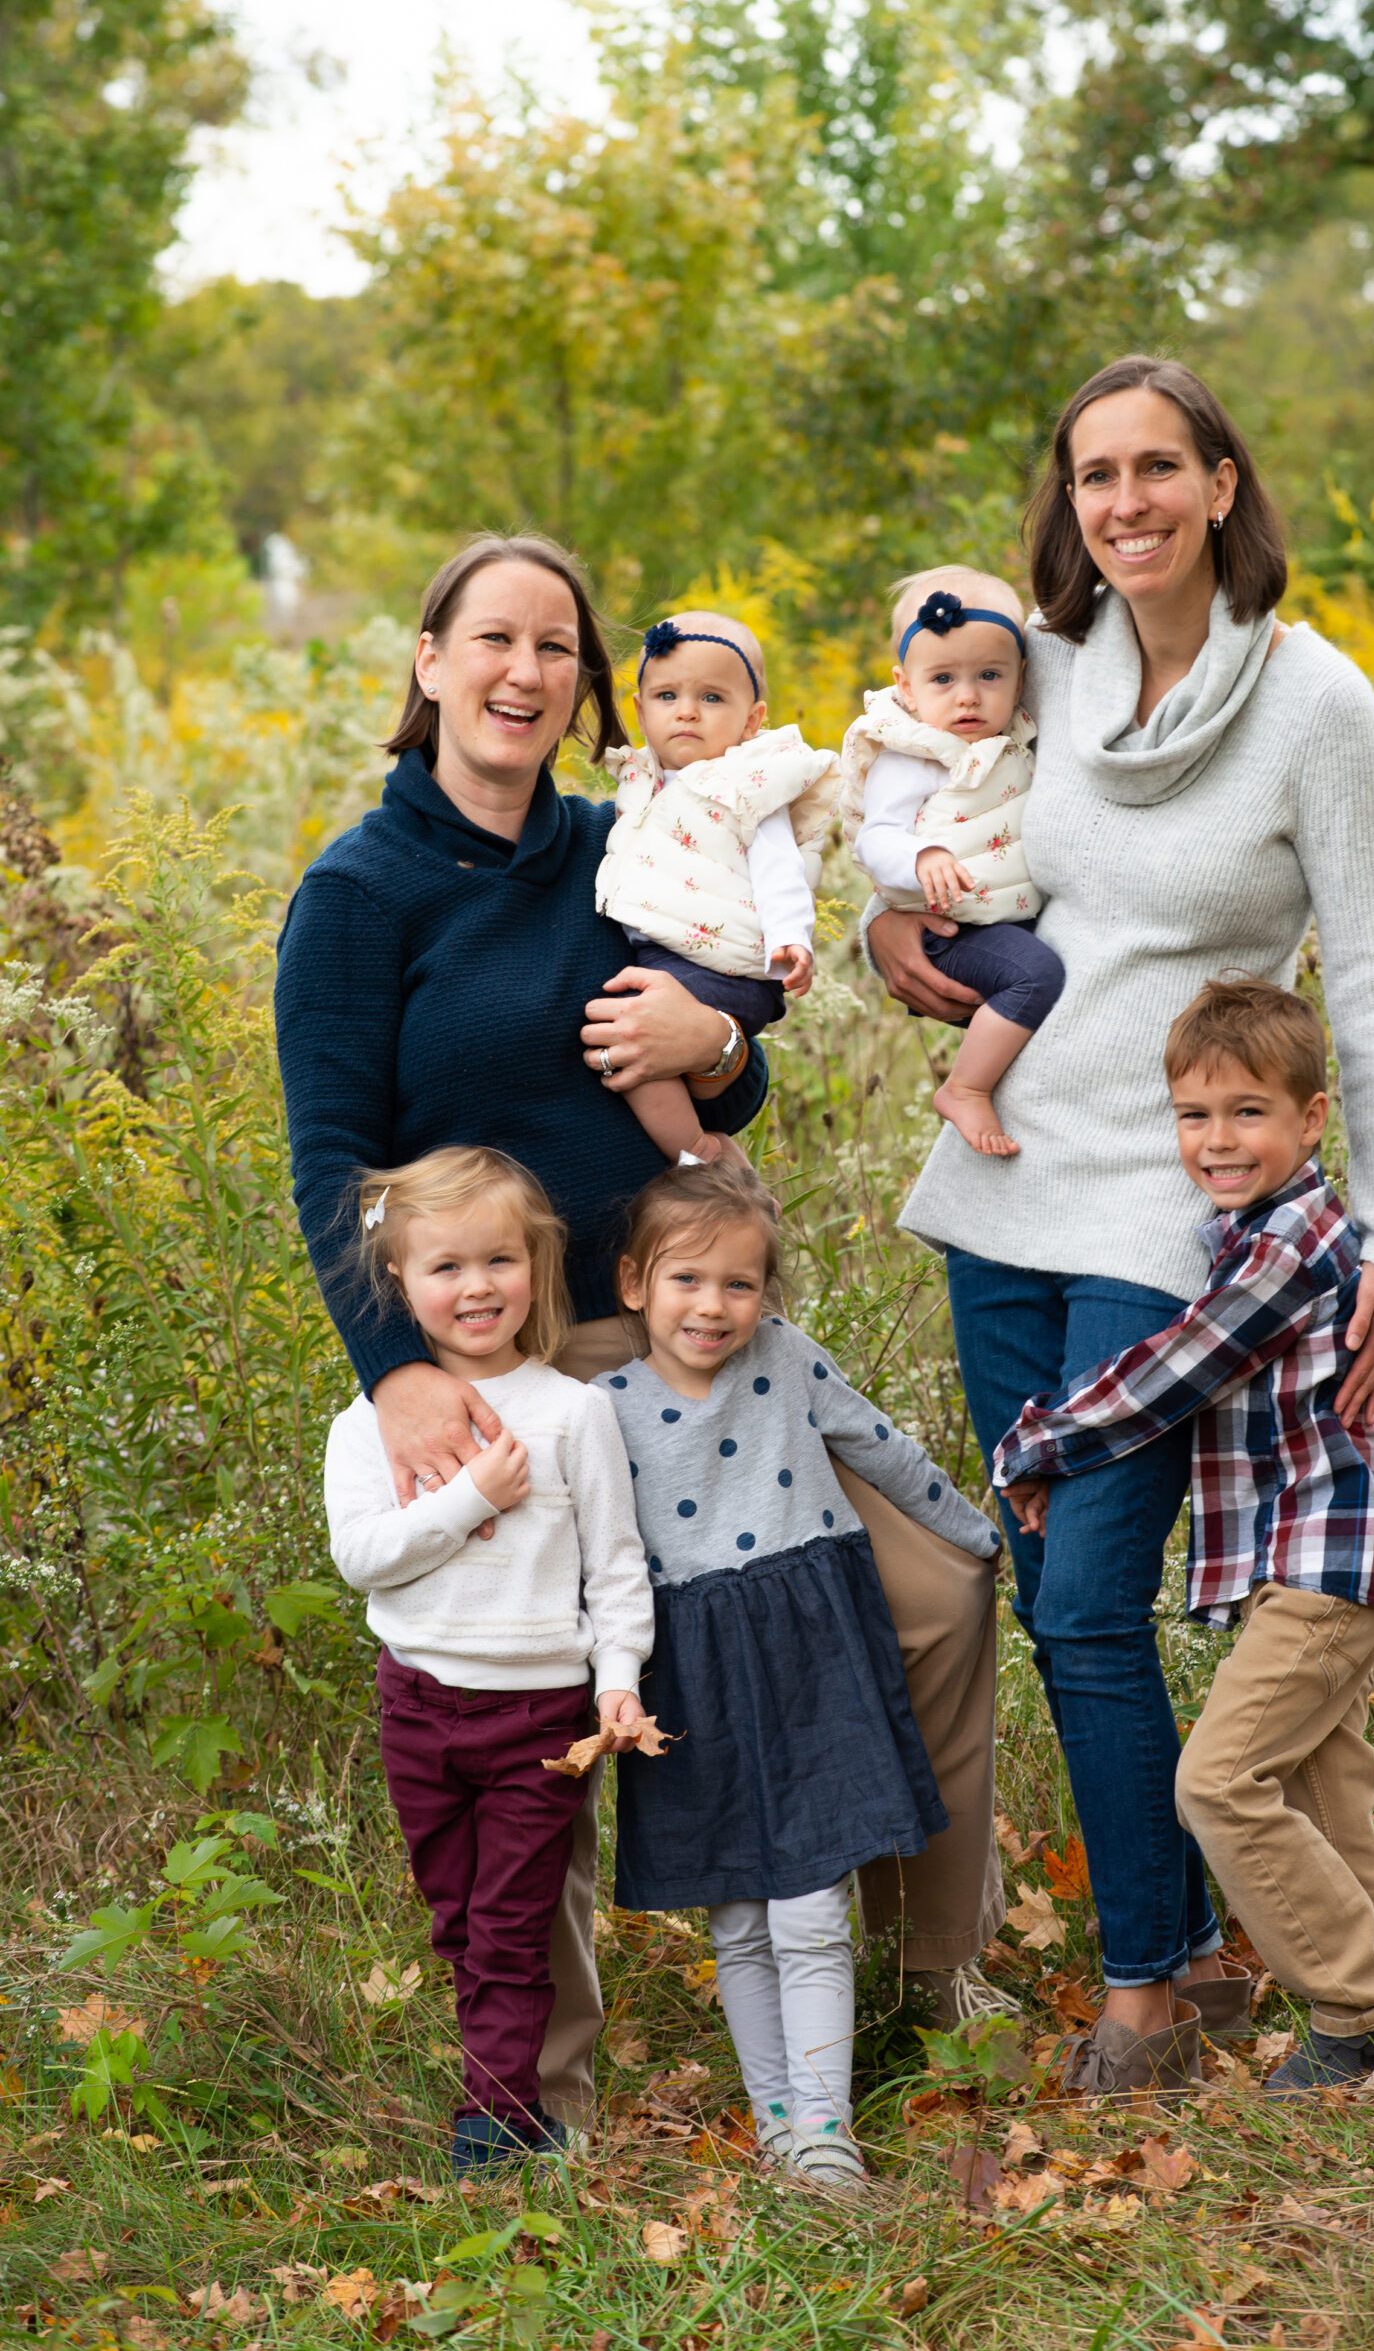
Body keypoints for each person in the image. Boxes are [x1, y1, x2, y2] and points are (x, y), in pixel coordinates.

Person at [275, 532, 1010, 2137]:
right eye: (495, 640)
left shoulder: (632, 845)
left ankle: (915, 1988)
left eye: (558, 649)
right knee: (528, 1699)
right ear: (429, 661)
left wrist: (720, 1038)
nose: (526, 672)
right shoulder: (359, 893)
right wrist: (395, 1371)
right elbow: (329, 1159)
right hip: (502, 1367)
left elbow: (722, 1039)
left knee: (938, 1590)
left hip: (689, 1335)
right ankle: (535, 2100)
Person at [867, 356, 1374, 2094]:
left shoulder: (1313, 706)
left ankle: (1142, 1991)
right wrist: (902, 940)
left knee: (1092, 1607)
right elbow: (902, 793)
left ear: (1216, 482)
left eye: (1153, 469)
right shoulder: (1040, 670)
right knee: (1056, 1599)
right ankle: (1186, 1946)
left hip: (1166, 1219)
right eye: (1090, 473)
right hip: (999, 1188)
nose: (1120, 502)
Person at [995, 979, 1374, 2091]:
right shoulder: (1251, 1230)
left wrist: (1040, 1441)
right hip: (1311, 1557)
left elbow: (1173, 1372)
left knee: (1220, 1780)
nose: (1217, 1138)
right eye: (1194, 1115)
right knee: (1318, 1786)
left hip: (1334, 1554)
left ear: (1309, 1117)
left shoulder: (1292, 1243)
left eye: (1247, 1111)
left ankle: (1370, 2006)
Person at [595, 1160, 1002, 2187]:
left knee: (814, 1906)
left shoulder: (783, 1359)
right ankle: (776, 2116)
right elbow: (587, 1553)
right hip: (690, 1667)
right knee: (737, 1912)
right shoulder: (596, 1410)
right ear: (633, 1283)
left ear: (766, 1294)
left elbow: (885, 1450)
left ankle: (825, 2133)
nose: (714, 1305)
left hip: (815, 1651)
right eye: (687, 1280)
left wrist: (978, 1537)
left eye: (740, 1283)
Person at [322, 1147, 653, 2171]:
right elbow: (362, 1558)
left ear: (537, 1267)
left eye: (499, 1260)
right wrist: (468, 1500)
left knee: (510, 1924)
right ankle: (505, 2099)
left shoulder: (571, 1411)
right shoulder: (365, 1423)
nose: (475, 1288)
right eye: (446, 1268)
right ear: (398, 1285)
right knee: (458, 1917)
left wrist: (617, 1680)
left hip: (539, 1721)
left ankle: (495, 2124)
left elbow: (616, 1566)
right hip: (416, 1704)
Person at [594, 611, 839, 1163]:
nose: (685, 710)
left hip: (722, 965)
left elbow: (780, 869)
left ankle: (699, 1153)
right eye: (666, 696)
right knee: (642, 1041)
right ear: (639, 710)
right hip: (672, 957)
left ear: (751, 721)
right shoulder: (641, 783)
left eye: (710, 698)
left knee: (628, 1037)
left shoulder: (745, 785)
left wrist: (791, 938)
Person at [841, 567, 1066, 1156]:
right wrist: (923, 857)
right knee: (1036, 976)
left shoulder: (1013, 740)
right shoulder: (912, 755)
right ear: (906, 687)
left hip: (1003, 912)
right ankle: (965, 1088)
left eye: (989, 675)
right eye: (943, 678)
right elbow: (876, 836)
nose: (967, 696)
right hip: (950, 927)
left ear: (1021, 680)